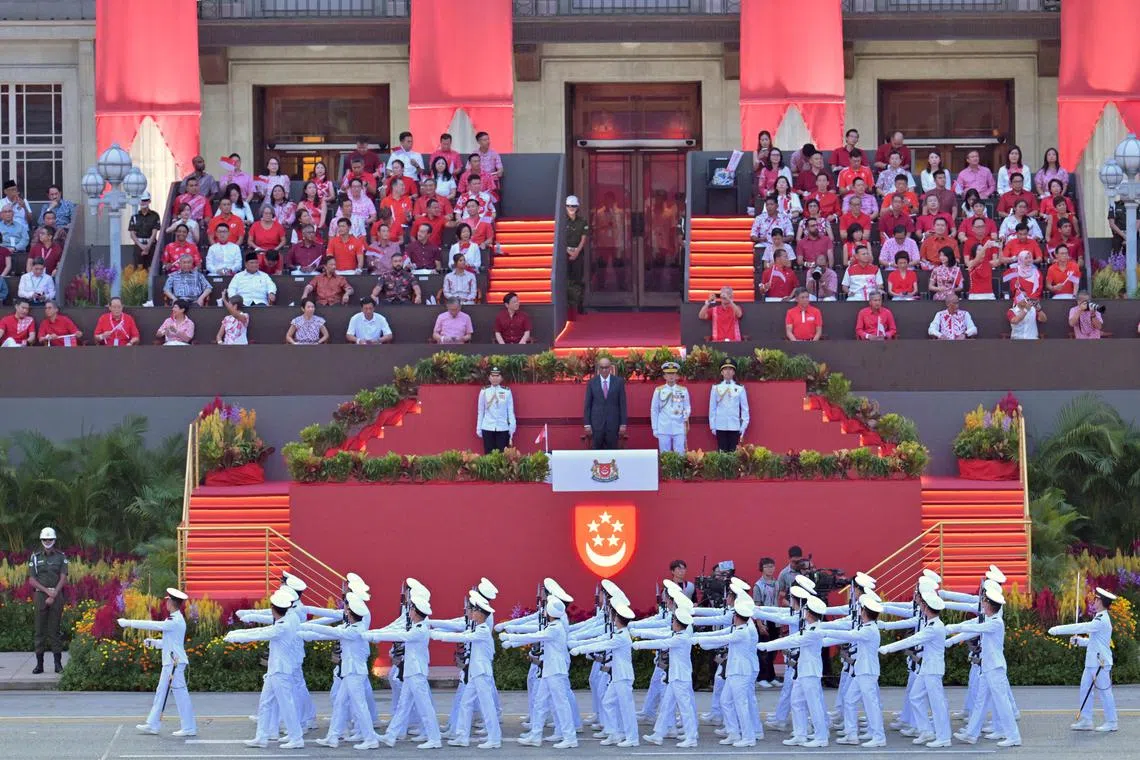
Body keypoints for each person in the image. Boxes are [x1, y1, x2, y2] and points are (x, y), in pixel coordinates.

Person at [224, 588, 305, 749]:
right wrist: (238, 632)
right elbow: (261, 630)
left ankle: (296, 738)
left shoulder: (282, 626)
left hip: (280, 671)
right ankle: (261, 737)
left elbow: (261, 633)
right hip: (276, 670)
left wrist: (237, 637)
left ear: (274, 609)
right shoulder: (290, 617)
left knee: (286, 704)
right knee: (265, 703)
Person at [300, 594, 380, 750]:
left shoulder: (355, 630)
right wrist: (305, 633)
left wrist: (306, 626)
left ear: (351, 614)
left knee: (359, 705)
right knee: (340, 703)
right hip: (349, 672)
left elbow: (333, 633)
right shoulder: (350, 627)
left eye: (347, 611)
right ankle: (333, 737)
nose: (345, 613)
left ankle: (370, 738)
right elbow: (329, 632)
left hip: (354, 673)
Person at [945, 585, 1022, 747]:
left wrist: (954, 627)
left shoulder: (996, 623)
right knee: (980, 702)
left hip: (995, 669)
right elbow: (974, 628)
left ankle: (1013, 736)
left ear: (990, 606)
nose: (983, 605)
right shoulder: (989, 619)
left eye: (985, 603)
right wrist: (953, 637)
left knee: (1002, 702)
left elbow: (976, 627)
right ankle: (971, 734)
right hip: (987, 668)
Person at [117, 588, 197, 737]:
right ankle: (153, 724)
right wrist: (154, 642)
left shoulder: (174, 621)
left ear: (172, 602)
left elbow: (153, 625)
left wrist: (128, 623)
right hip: (171, 662)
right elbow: (170, 642)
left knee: (181, 695)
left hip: (174, 663)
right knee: (161, 693)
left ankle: (189, 727)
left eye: (167, 600)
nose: (166, 603)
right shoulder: (175, 620)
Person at [879, 586, 952, 747]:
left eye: (923, 606)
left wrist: (888, 648)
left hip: (933, 670)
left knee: (937, 703)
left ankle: (943, 737)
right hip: (927, 668)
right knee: (915, 696)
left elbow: (912, 640)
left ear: (927, 608)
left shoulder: (934, 627)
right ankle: (926, 731)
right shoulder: (931, 624)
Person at [758, 593, 830, 748]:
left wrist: (767, 646)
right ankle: (800, 734)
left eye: (806, 610)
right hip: (803, 671)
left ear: (810, 613)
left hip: (810, 672)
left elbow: (792, 639)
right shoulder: (809, 627)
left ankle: (821, 736)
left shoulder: (814, 631)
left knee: (813, 704)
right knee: (796, 702)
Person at [1047, 587, 1118, 732]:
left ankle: (1112, 722)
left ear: (1102, 602)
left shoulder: (1101, 619)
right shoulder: (1098, 617)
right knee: (1085, 690)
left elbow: (1082, 626)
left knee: (1104, 692)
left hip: (1101, 663)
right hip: (1092, 662)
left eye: (1096, 599)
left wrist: (1058, 629)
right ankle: (1086, 720)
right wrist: (1079, 641)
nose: (1094, 601)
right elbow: (1095, 642)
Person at [694, 595, 761, 747]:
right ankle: (733, 733)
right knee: (726, 701)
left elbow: (722, 639)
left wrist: (699, 640)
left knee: (741, 704)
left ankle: (749, 737)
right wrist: (699, 637)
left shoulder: (743, 631)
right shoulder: (740, 628)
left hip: (741, 672)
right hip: (734, 671)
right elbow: (721, 635)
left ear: (737, 616)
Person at [571, 601, 639, 748]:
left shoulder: (621, 636)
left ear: (618, 620)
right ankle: (615, 734)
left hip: (623, 676)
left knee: (626, 708)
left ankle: (632, 738)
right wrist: (579, 645)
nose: (613, 619)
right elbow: (601, 640)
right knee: (607, 702)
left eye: (615, 617)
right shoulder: (619, 633)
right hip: (618, 676)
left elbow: (603, 645)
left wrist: (581, 649)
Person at [27, 527, 68, 674]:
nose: (47, 541)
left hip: (56, 595)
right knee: (39, 630)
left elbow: (63, 576)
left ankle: (58, 665)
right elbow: (32, 579)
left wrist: (54, 593)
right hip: (40, 595)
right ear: (41, 540)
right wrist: (47, 592)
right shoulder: (35, 557)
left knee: (55, 631)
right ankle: (40, 665)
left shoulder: (61, 557)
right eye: (45, 539)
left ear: (54, 540)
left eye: (50, 539)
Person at [583, 356, 628, 449]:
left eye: (606, 367)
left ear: (610, 368)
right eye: (602, 367)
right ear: (599, 368)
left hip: (613, 424)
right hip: (596, 424)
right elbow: (588, 405)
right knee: (597, 452)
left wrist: (623, 424)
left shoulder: (618, 382)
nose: (604, 370)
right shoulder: (592, 382)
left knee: (612, 452)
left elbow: (622, 404)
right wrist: (587, 424)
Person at [709, 360, 749, 452]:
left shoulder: (740, 388)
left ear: (734, 372)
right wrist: (713, 426)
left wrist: (743, 426)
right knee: (722, 454)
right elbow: (712, 408)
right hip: (720, 425)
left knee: (733, 454)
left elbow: (744, 409)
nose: (727, 371)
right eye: (725, 369)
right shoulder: (716, 388)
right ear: (721, 372)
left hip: (734, 426)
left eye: (730, 369)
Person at [651, 361, 690, 453]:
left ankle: (679, 468)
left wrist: (685, 416)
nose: (671, 376)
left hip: (679, 426)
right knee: (665, 455)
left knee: (680, 454)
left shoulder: (683, 390)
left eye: (673, 373)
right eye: (668, 373)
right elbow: (654, 410)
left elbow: (687, 407)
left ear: (677, 375)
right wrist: (655, 428)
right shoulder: (659, 390)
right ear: (664, 376)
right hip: (664, 426)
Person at [474, 367, 516, 453]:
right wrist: (479, 428)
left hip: (503, 428)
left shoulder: (507, 391)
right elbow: (480, 411)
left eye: (497, 376)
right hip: (487, 427)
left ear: (501, 378)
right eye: (493, 376)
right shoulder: (484, 391)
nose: (495, 378)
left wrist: (512, 427)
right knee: (489, 455)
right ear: (489, 378)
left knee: (502, 456)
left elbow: (510, 411)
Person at [128, 192, 161, 267]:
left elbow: (154, 233)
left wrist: (148, 247)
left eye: (145, 200)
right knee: (138, 269)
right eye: (141, 200)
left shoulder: (155, 215)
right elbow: (132, 234)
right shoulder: (134, 216)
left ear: (149, 201)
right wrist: (142, 246)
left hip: (151, 245)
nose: (143, 202)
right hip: (138, 245)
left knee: (151, 268)